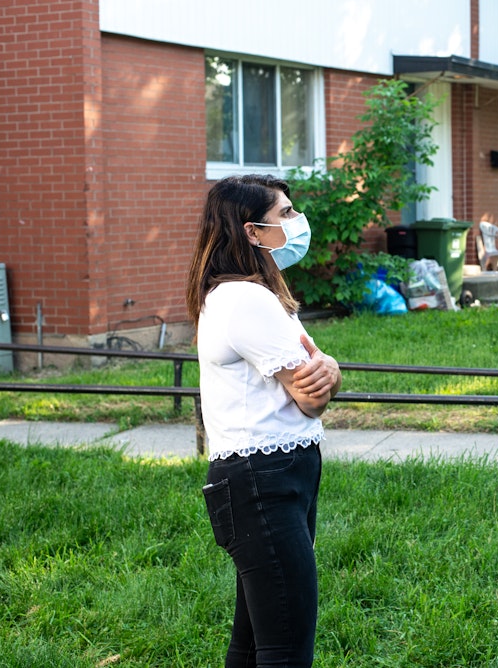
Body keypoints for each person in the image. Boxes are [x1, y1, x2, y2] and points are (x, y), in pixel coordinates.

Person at [185, 174, 341, 668]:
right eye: (287, 214)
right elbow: (311, 399)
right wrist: (331, 373)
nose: (299, 223)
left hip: (268, 475)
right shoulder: (246, 298)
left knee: (256, 640)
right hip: (262, 481)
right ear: (252, 232)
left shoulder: (243, 293)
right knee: (286, 648)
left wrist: (329, 372)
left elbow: (311, 385)